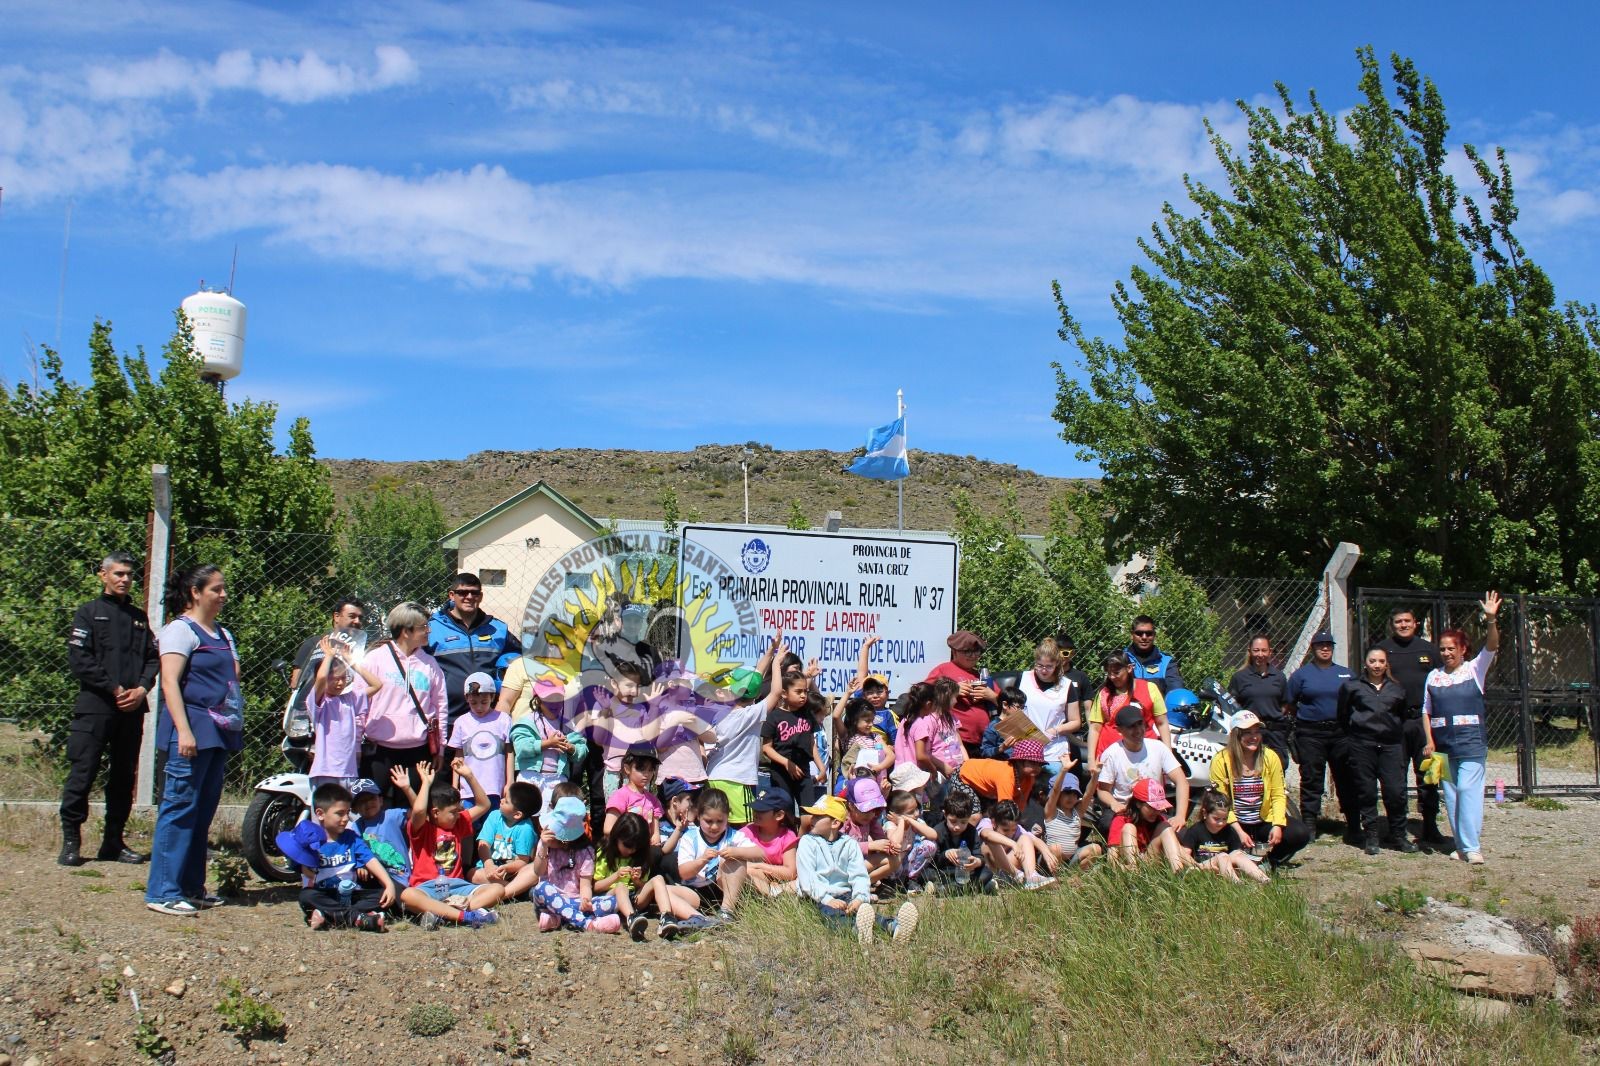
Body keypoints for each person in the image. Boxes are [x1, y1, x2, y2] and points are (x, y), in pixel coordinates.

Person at [145, 565, 243, 917]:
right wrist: (184, 731)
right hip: (190, 733)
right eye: (216, 589)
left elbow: (232, 675)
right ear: (195, 592)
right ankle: (162, 890)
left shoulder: (222, 633)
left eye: (223, 588)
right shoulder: (179, 630)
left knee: (202, 812)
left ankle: (190, 887)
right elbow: (170, 682)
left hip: (218, 732)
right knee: (179, 809)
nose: (223, 595)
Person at [60, 551, 158, 866]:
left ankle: (113, 842)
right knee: (82, 772)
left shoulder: (138, 618)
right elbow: (80, 659)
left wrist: (141, 689)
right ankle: (71, 841)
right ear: (103, 576)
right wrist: (114, 688)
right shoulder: (88, 613)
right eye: (118, 574)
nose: (125, 580)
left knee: (123, 776)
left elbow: (153, 658)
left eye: (129, 574)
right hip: (96, 708)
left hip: (131, 710)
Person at [1423, 592, 1501, 865]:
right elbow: (1426, 711)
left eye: (1450, 649)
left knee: (1469, 791)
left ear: (1462, 650)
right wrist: (1429, 741)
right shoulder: (1433, 676)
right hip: (1443, 747)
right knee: (1452, 796)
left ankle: (1472, 847)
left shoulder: (1474, 670)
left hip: (1470, 743)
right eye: (1442, 649)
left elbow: (1491, 646)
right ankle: (1459, 844)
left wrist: (1491, 620)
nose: (1446, 653)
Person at [795, 795, 918, 945]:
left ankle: (894, 927)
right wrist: (827, 899)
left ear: (834, 823)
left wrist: (860, 897)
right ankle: (857, 930)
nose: (811, 819)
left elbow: (859, 875)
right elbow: (807, 879)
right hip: (817, 897)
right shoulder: (807, 842)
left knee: (863, 912)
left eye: (817, 816)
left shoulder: (849, 844)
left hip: (845, 893)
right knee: (832, 916)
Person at [360, 602, 448, 808]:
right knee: (372, 807)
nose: (429, 631)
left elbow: (440, 707)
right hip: (379, 751)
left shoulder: (430, 664)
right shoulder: (375, 659)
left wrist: (440, 750)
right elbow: (359, 702)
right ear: (406, 631)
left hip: (418, 751)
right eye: (423, 627)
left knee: (413, 809)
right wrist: (356, 744)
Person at [399, 759, 503, 929]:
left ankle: (443, 914)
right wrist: (426, 783)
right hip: (427, 887)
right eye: (452, 812)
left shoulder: (458, 823)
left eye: (458, 810)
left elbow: (484, 804)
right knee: (407, 895)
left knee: (497, 890)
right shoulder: (421, 829)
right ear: (435, 812)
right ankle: (466, 916)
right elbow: (418, 810)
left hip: (457, 886)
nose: (458, 814)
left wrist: (469, 776)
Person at [1375, 606, 1446, 851]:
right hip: (1394, 723)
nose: (1403, 625)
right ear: (1392, 625)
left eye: (1407, 621)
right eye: (1398, 622)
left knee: (1428, 776)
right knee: (1394, 779)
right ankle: (1396, 828)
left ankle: (1430, 825)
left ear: (1415, 623)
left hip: (1422, 721)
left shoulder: (1428, 649)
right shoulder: (1383, 650)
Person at [281, 781, 396, 931]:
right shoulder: (311, 840)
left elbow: (371, 860)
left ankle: (328, 918)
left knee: (381, 895)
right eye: (339, 813)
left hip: (352, 895)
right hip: (326, 895)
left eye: (347, 812)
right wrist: (306, 864)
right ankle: (359, 919)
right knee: (306, 896)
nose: (346, 818)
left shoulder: (352, 838)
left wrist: (389, 884)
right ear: (320, 814)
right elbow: (305, 870)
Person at [1208, 711, 1311, 868]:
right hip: (1233, 822)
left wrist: (1277, 824)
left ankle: (1270, 861)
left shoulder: (1270, 757)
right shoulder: (1221, 760)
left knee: (1300, 833)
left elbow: (1278, 794)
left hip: (1263, 820)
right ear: (1235, 735)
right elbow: (1220, 802)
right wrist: (1238, 831)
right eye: (1247, 733)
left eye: (1257, 732)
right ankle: (1243, 860)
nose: (1254, 737)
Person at [1337, 648, 1415, 855]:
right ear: (1366, 663)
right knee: (1367, 791)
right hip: (1362, 745)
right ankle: (1371, 835)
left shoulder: (1397, 688)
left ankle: (1398, 834)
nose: (1377, 665)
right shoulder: (1352, 687)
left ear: (1386, 664)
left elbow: (1402, 715)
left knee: (1395, 791)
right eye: (1373, 661)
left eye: (1381, 661)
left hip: (1391, 746)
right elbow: (1343, 715)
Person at [427, 572, 522, 735]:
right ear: (452, 595)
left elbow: (522, 661)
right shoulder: (432, 628)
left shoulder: (498, 629)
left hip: (487, 718)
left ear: (481, 596)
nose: (469, 597)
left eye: (474, 592)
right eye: (463, 592)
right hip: (447, 719)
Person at [1285, 630, 1354, 837]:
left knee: (1346, 777)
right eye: (1320, 645)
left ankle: (1352, 822)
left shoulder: (1346, 674)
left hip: (1340, 732)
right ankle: (1309, 824)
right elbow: (1290, 703)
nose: (1325, 648)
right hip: (1311, 733)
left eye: (1329, 645)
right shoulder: (1301, 675)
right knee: (1312, 778)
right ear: (1313, 648)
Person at [1094, 703, 1190, 842]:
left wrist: (1180, 816)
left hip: (1153, 809)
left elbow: (1181, 781)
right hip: (1125, 809)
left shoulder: (1158, 747)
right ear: (1119, 730)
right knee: (1108, 824)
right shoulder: (1112, 754)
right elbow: (1102, 791)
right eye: (1131, 726)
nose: (1138, 730)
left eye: (1140, 724)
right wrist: (1114, 804)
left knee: (1183, 834)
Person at [531, 788, 621, 933]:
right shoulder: (546, 841)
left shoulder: (586, 851)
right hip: (550, 899)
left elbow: (585, 885)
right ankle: (588, 924)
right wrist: (544, 847)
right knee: (541, 888)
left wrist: (586, 900)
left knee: (614, 901)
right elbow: (538, 871)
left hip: (575, 900)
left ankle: (558, 919)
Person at [307, 634, 383, 791]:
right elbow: (321, 678)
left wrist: (350, 660)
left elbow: (377, 684)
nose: (340, 683)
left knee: (344, 814)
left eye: (343, 678)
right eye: (334, 678)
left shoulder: (350, 700)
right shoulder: (319, 702)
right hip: (325, 771)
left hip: (348, 771)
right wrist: (329, 656)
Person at [507, 675, 587, 813]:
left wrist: (571, 748)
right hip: (530, 777)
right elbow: (521, 748)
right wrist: (548, 743)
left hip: (557, 780)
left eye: (557, 699)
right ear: (537, 700)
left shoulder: (568, 725)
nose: (554, 703)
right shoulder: (527, 722)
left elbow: (582, 750)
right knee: (527, 815)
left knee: (553, 819)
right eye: (548, 699)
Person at [762, 650, 825, 815]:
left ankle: (804, 840)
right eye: (798, 692)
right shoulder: (774, 716)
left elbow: (811, 743)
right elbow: (766, 748)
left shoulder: (807, 715)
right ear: (784, 693)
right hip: (781, 772)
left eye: (805, 691)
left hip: (803, 771)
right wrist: (786, 763)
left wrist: (821, 767)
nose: (804, 695)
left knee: (809, 814)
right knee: (785, 814)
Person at [1085, 654, 1170, 775]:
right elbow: (1095, 728)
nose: (1112, 677)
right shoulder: (1104, 693)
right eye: (1109, 673)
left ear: (1129, 668)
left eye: (1116, 672)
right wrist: (1091, 759)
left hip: (1145, 755)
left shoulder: (1150, 688)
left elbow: (1162, 723)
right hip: (1110, 756)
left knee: (1147, 791)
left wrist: (1168, 754)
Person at [703, 667, 767, 826]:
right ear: (757, 694)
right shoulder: (750, 715)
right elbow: (776, 693)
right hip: (738, 780)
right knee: (746, 829)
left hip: (713, 776)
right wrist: (775, 659)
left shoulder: (718, 715)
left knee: (716, 829)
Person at [448, 671, 512, 823]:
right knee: (467, 827)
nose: (479, 707)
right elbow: (458, 755)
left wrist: (510, 782)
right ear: (467, 699)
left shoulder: (503, 719)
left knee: (494, 826)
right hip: (468, 790)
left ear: (492, 697)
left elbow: (509, 752)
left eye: (484, 702)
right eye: (473, 702)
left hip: (495, 787)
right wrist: (454, 785)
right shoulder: (461, 722)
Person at [1015, 637, 1083, 774]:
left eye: (1049, 667)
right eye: (1039, 665)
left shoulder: (1066, 685)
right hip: (1025, 748)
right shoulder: (1023, 679)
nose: (1044, 671)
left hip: (1053, 750)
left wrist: (1054, 731)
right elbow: (1012, 709)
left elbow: (1076, 722)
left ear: (1057, 664)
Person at [925, 631, 997, 757]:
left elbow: (1006, 702)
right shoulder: (944, 669)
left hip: (983, 741)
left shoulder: (979, 675)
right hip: (956, 739)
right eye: (968, 652)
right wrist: (953, 690)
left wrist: (992, 696)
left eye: (977, 651)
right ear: (954, 651)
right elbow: (923, 694)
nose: (973, 655)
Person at [1227, 634, 1292, 769]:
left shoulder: (1279, 677)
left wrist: (1272, 716)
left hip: (1275, 733)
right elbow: (1233, 705)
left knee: (1278, 768)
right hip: (1250, 732)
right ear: (1250, 651)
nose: (1260, 654)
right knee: (1251, 770)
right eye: (1256, 650)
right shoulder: (1239, 677)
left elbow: (1285, 704)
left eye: (1264, 650)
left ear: (1270, 652)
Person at [722, 785, 800, 896]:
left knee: (801, 882)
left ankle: (772, 892)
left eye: (762, 810)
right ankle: (772, 892)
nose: (755, 812)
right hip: (753, 878)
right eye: (755, 808)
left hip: (780, 880)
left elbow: (790, 872)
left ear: (779, 815)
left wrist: (761, 866)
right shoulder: (747, 831)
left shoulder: (787, 836)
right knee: (746, 871)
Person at [1179, 789, 1269, 884]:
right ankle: (1236, 884)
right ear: (1205, 813)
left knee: (1238, 854)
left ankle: (1264, 879)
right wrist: (1196, 866)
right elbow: (1184, 854)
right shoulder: (1196, 830)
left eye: (1225, 818)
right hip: (1203, 867)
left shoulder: (1229, 831)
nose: (1221, 823)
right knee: (1222, 856)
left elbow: (1236, 853)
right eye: (1216, 819)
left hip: (1225, 866)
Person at [472, 780, 542, 899]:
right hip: (489, 870)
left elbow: (522, 861)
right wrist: (489, 865)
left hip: (513, 873)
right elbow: (483, 844)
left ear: (517, 814)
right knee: (473, 874)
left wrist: (506, 868)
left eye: (506, 801)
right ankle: (517, 891)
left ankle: (503, 892)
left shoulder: (525, 829)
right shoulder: (495, 816)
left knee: (533, 872)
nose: (502, 800)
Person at [1108, 779, 1185, 871]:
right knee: (1129, 827)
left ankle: (1178, 872)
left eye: (1159, 807)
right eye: (1151, 807)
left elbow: (1177, 848)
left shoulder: (1158, 819)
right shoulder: (1121, 819)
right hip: (1127, 866)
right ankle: (1134, 870)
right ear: (1138, 804)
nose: (1156, 811)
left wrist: (1197, 865)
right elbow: (1111, 859)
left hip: (1146, 863)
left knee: (1166, 827)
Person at [352, 774, 413, 890]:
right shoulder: (356, 827)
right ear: (354, 809)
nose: (368, 803)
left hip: (400, 878)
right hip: (375, 880)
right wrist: (361, 864)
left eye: (371, 798)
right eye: (362, 801)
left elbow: (418, 813)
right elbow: (356, 851)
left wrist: (407, 789)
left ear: (381, 800)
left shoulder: (392, 816)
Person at [289, 598, 365, 690]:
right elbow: (295, 682)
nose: (357, 621)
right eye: (352, 616)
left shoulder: (360, 651)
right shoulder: (314, 643)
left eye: (360, 618)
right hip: (309, 700)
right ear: (336, 616)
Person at [958, 738, 1047, 814]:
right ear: (1019, 761)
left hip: (986, 791)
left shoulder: (1029, 779)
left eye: (1040, 764)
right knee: (975, 816)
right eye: (1033, 763)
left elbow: (1019, 806)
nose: (1037, 767)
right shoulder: (1006, 777)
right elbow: (1006, 809)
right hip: (964, 777)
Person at [1042, 770, 1100, 870]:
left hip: (1071, 859)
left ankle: (1076, 875)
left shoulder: (1077, 812)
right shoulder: (1051, 812)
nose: (1071, 797)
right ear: (1059, 794)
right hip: (1050, 860)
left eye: (1075, 794)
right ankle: (1055, 879)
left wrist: (1095, 775)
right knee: (1056, 848)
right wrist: (1064, 770)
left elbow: (1089, 793)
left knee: (1096, 848)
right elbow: (1055, 790)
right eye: (1067, 793)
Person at [1126, 615, 1186, 695]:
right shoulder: (1121, 660)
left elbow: (1176, 692)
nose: (1144, 637)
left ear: (1154, 635)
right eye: (1139, 633)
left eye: (1149, 633)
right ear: (1132, 635)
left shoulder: (1166, 662)